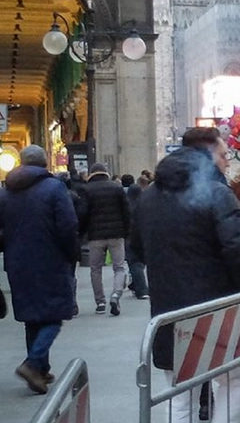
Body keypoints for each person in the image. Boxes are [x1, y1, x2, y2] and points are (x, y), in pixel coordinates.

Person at [132, 127, 240, 423]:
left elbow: (136, 247)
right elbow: (238, 247)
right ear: (206, 154)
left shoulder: (149, 196)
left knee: (179, 392)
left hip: (169, 309)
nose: (225, 161)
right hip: (216, 306)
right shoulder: (216, 193)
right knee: (235, 378)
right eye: (222, 155)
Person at [0, 146, 79, 395]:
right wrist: (72, 254)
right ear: (45, 163)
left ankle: (41, 369)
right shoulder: (54, 188)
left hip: (17, 261)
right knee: (55, 315)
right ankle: (33, 363)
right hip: (50, 259)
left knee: (32, 316)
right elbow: (68, 225)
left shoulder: (5, 192)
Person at [81, 162, 130, 316]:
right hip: (116, 235)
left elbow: (83, 213)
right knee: (119, 267)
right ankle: (116, 294)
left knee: (95, 269)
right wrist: (126, 232)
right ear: (106, 173)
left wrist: (82, 233)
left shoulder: (87, 190)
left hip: (95, 235)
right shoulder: (117, 188)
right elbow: (126, 212)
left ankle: (100, 302)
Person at [122, 174, 149, 299]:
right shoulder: (143, 204)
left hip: (129, 236)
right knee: (139, 263)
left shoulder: (126, 205)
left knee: (134, 263)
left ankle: (142, 289)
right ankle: (135, 285)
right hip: (143, 235)